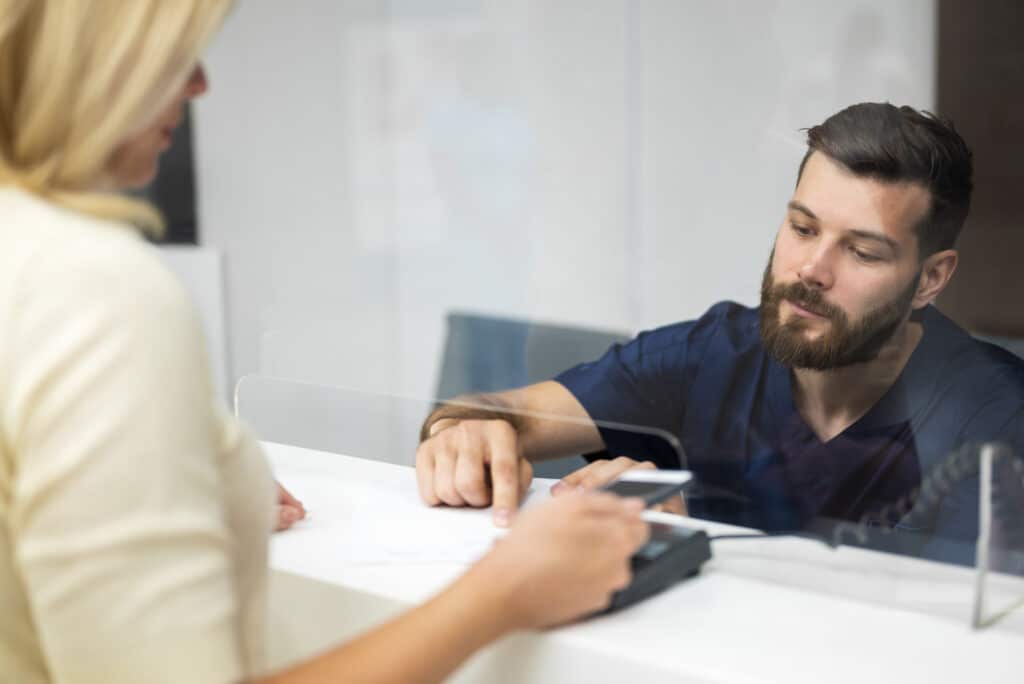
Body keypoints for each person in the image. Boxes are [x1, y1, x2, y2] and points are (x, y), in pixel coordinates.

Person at [0, 2, 650, 682]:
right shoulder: (96, 292)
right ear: (90, 61)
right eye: (175, 58)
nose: (200, 88)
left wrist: (179, 487)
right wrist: (505, 590)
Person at [416, 102, 1024, 564]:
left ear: (930, 278)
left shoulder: (995, 417)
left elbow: (943, 635)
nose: (811, 271)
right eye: (803, 229)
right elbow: (496, 413)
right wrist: (464, 432)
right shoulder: (714, 353)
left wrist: (695, 538)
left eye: (862, 252)